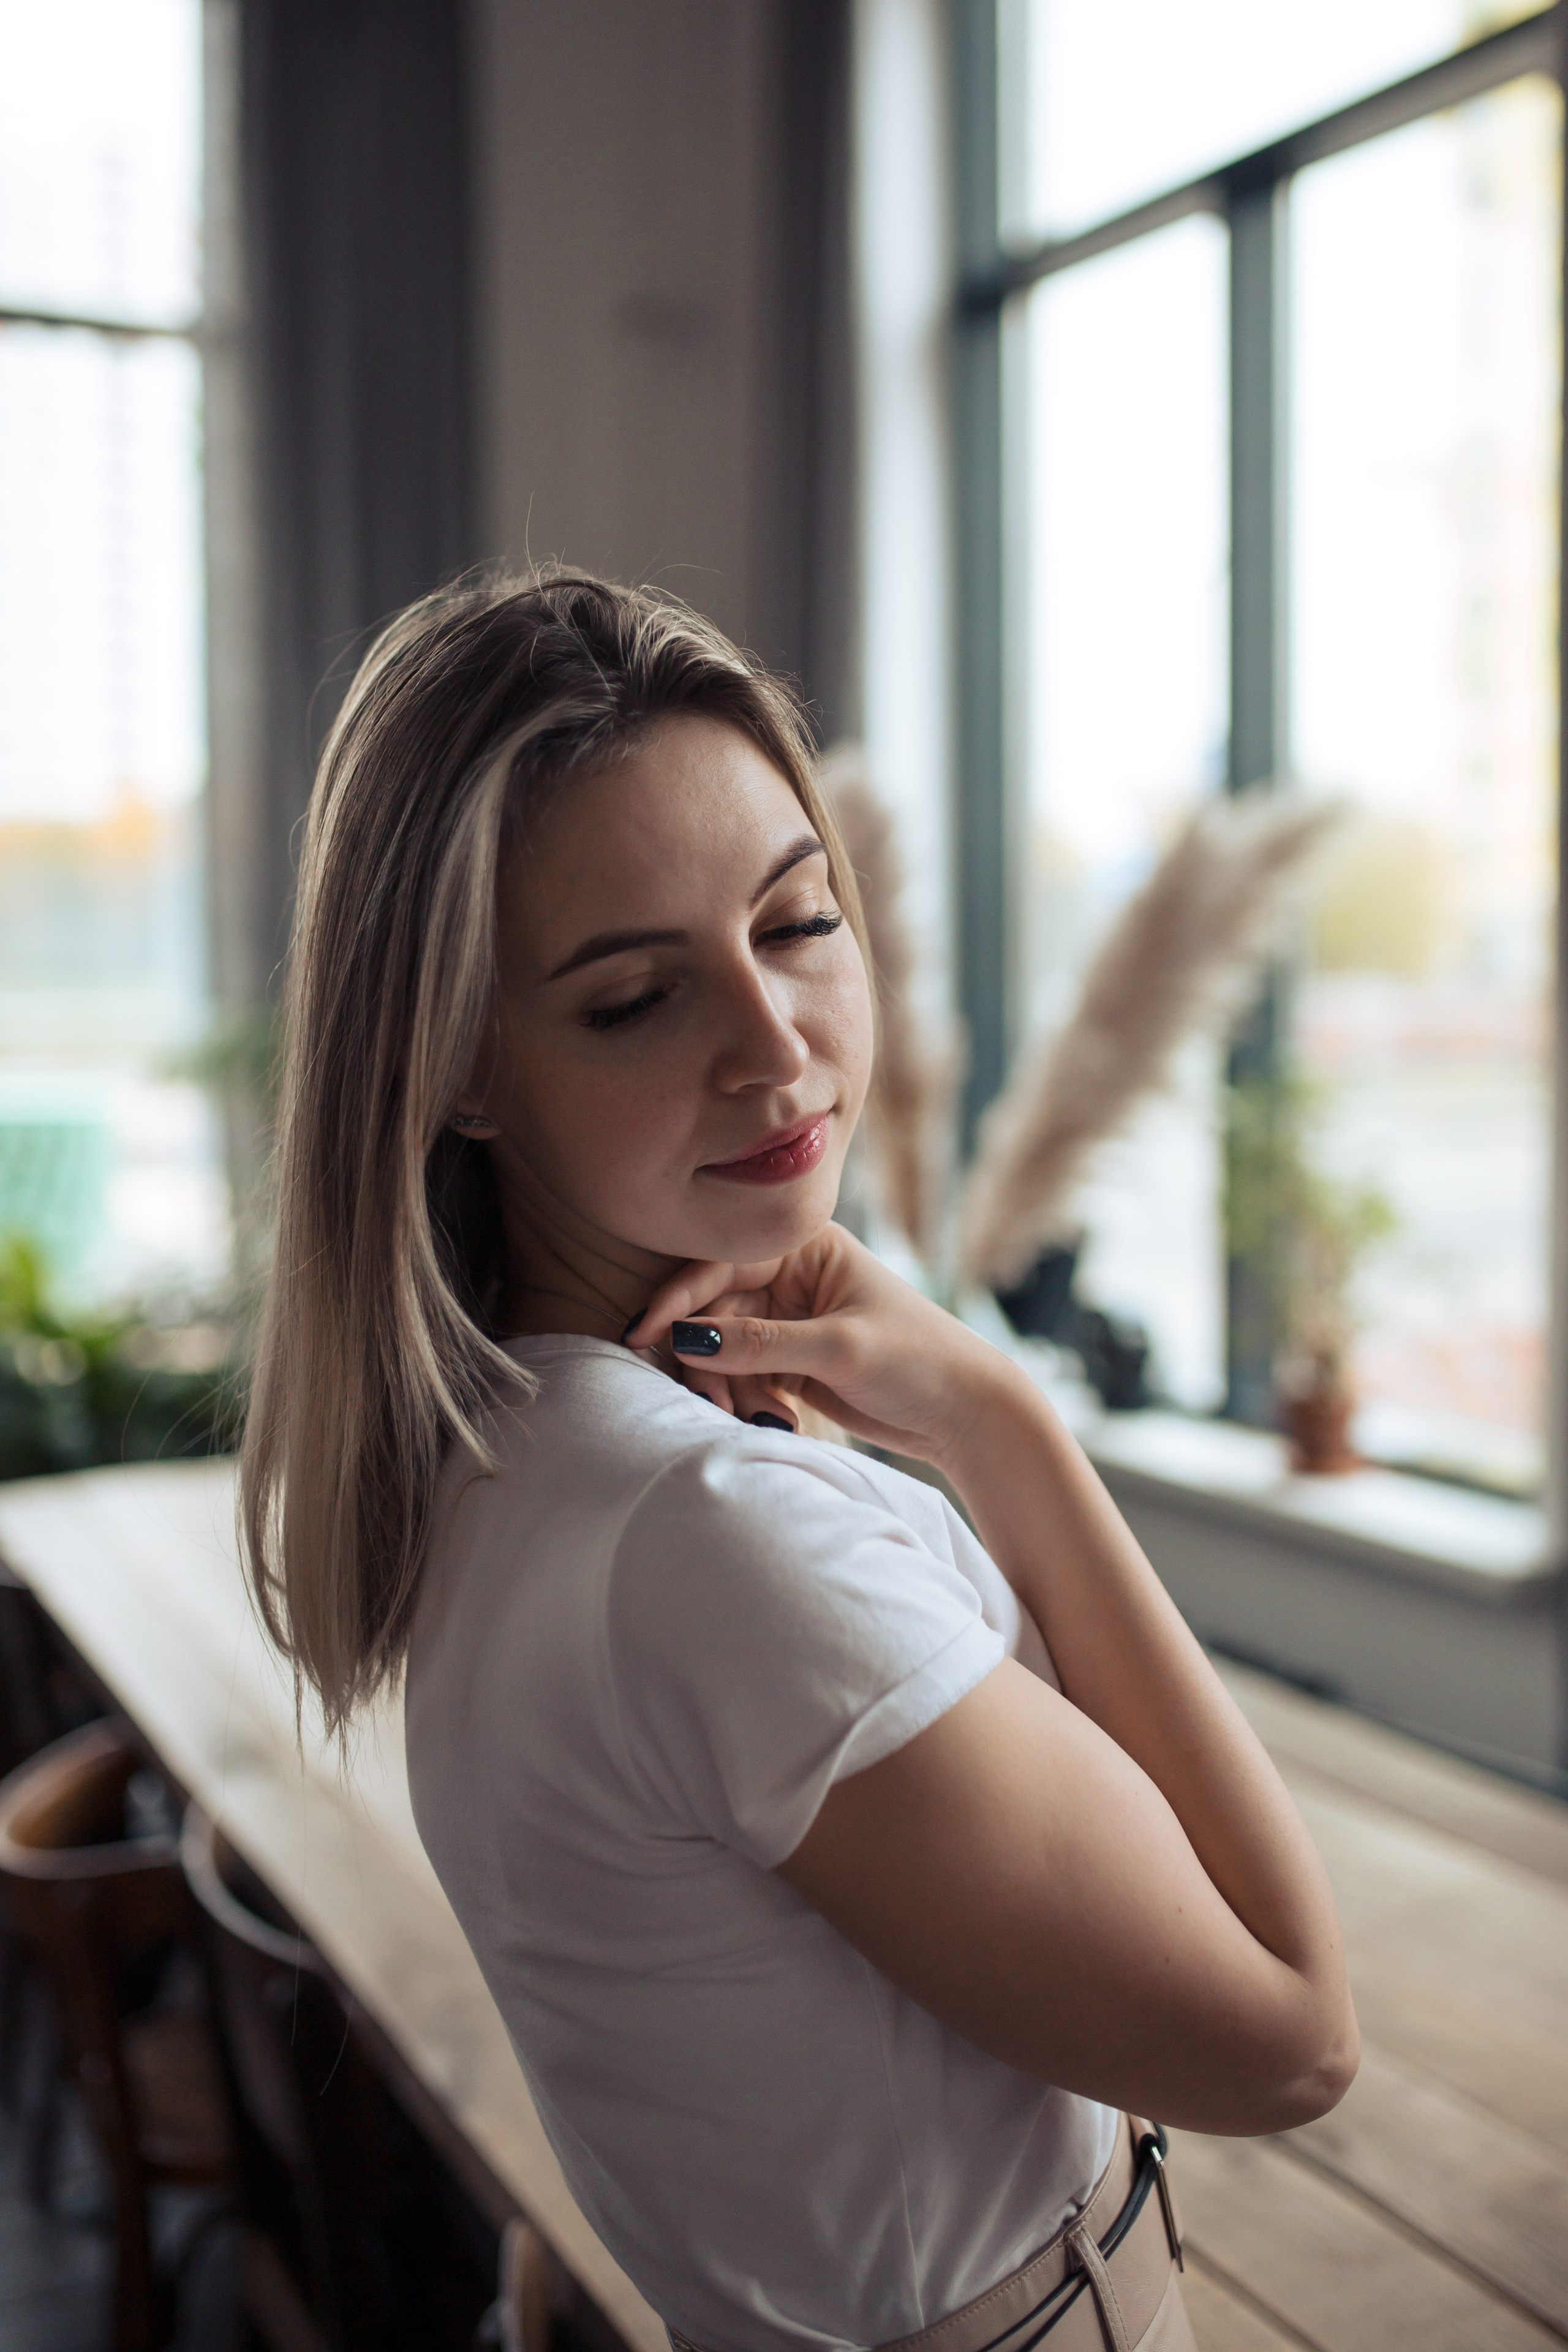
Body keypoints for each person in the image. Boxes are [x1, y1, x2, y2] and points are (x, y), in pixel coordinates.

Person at [240, 572, 1357, 2352]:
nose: (776, 1052)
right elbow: (1292, 2040)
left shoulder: (506, 1451)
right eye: (632, 999)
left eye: (798, 921)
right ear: (457, 1064)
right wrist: (1008, 1426)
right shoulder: (703, 1530)